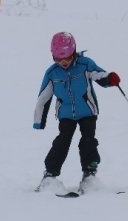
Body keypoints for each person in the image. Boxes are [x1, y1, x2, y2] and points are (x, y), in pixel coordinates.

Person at [33, 31, 120, 191]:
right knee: (62, 142)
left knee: (88, 140)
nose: (64, 62)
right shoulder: (52, 73)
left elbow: (98, 74)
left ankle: (89, 174)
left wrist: (109, 78)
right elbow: (43, 97)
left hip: (87, 111)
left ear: (74, 52)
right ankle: (50, 174)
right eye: (59, 59)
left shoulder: (85, 64)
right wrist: (39, 120)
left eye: (67, 57)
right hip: (65, 115)